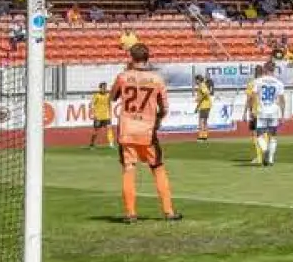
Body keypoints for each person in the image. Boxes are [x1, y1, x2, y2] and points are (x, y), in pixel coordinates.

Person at [110, 44, 181, 222]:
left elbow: (112, 97)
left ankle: (130, 213)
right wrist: (158, 119)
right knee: (157, 167)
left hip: (127, 130)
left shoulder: (123, 77)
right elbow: (164, 107)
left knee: (129, 168)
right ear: (148, 58)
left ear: (131, 58)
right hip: (147, 131)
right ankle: (168, 211)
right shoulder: (156, 79)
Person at [251, 64, 286, 167]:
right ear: (274, 70)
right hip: (274, 111)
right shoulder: (279, 83)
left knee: (259, 135)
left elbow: (253, 96)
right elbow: (282, 100)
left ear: (265, 70)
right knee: (273, 136)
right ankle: (270, 159)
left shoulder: (258, 81)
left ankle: (265, 149)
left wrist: (253, 110)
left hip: (262, 110)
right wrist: (282, 115)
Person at [243, 65, 263, 165]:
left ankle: (259, 157)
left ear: (255, 72)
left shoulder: (252, 83)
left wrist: (246, 112)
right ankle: (265, 155)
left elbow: (249, 99)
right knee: (265, 134)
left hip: (256, 111)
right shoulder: (267, 82)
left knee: (256, 134)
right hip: (267, 111)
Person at [88, 82, 114, 149]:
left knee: (109, 129)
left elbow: (109, 104)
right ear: (100, 88)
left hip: (106, 116)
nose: (104, 89)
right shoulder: (97, 95)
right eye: (103, 87)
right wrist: (94, 113)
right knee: (96, 131)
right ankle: (92, 143)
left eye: (105, 87)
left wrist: (110, 114)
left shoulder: (108, 95)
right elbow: (91, 104)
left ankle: (111, 144)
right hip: (98, 116)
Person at [193, 74, 215, 143]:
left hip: (204, 105)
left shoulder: (202, 85)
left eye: (196, 80)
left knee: (201, 121)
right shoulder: (203, 85)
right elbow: (206, 93)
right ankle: (204, 136)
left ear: (198, 80)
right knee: (204, 121)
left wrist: (200, 99)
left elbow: (206, 93)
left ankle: (201, 136)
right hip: (206, 105)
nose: (195, 82)